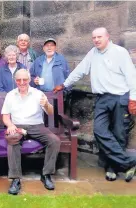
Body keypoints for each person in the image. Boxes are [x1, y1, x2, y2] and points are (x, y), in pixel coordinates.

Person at [53, 27, 136, 182]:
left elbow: (132, 76)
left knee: (119, 133)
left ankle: (113, 168)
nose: (96, 40)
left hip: (120, 97)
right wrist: (64, 85)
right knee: (99, 131)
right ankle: (129, 163)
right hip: (102, 98)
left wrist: (133, 98)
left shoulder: (120, 52)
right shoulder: (93, 53)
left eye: (99, 37)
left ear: (107, 37)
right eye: (94, 38)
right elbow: (79, 70)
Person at [2, 69, 60, 194]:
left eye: (25, 79)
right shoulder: (10, 95)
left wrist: (46, 105)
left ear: (29, 80)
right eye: (18, 80)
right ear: (15, 80)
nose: (22, 82)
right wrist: (10, 125)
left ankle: (46, 174)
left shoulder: (38, 93)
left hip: (37, 125)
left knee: (54, 141)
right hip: (17, 125)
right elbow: (5, 117)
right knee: (12, 139)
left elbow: (50, 112)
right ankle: (15, 179)